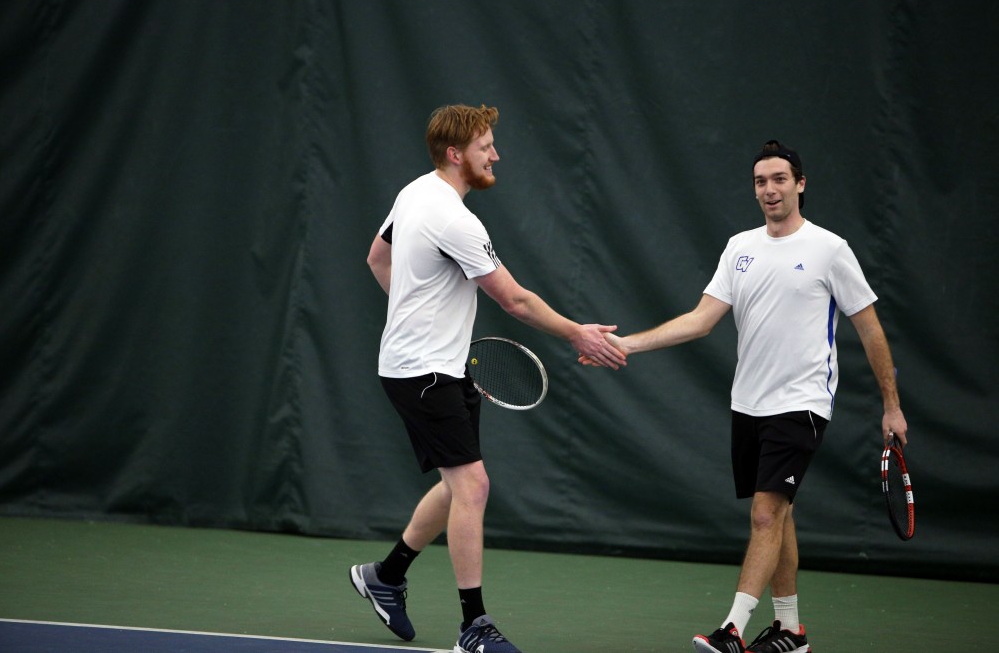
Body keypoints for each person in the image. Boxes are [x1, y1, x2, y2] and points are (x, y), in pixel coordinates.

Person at [586, 140, 908, 653]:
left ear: (800, 184)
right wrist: (626, 344)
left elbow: (869, 330)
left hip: (802, 402)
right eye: (761, 181)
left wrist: (891, 404)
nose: (770, 190)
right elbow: (700, 320)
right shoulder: (740, 247)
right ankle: (790, 632)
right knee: (780, 515)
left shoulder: (829, 249)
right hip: (748, 405)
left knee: (764, 513)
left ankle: (732, 628)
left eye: (780, 179)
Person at [353, 103, 626, 653]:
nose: (496, 154)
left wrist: (413, 316)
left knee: (457, 485)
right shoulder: (455, 220)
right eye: (486, 147)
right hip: (422, 372)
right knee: (473, 486)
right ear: (457, 155)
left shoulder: (413, 193)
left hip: (441, 365)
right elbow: (516, 301)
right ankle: (473, 628)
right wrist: (578, 333)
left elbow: (376, 259)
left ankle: (385, 576)